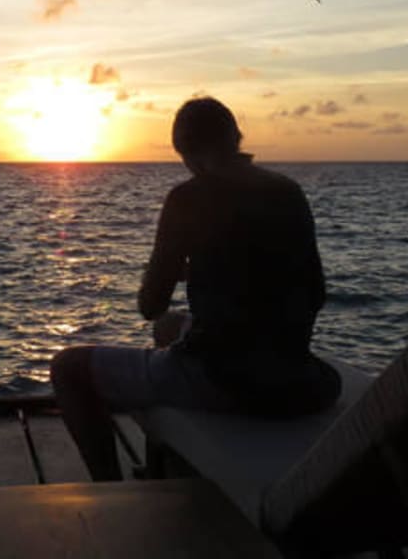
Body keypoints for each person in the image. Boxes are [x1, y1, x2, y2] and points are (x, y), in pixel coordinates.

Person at [50, 96, 340, 481]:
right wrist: (207, 271)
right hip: (298, 379)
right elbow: (313, 292)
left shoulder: (187, 198)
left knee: (68, 368)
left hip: (227, 382)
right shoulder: (288, 191)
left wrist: (165, 270)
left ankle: (110, 488)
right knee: (168, 327)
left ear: (185, 151)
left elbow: (150, 305)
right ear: (236, 138)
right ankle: (163, 466)